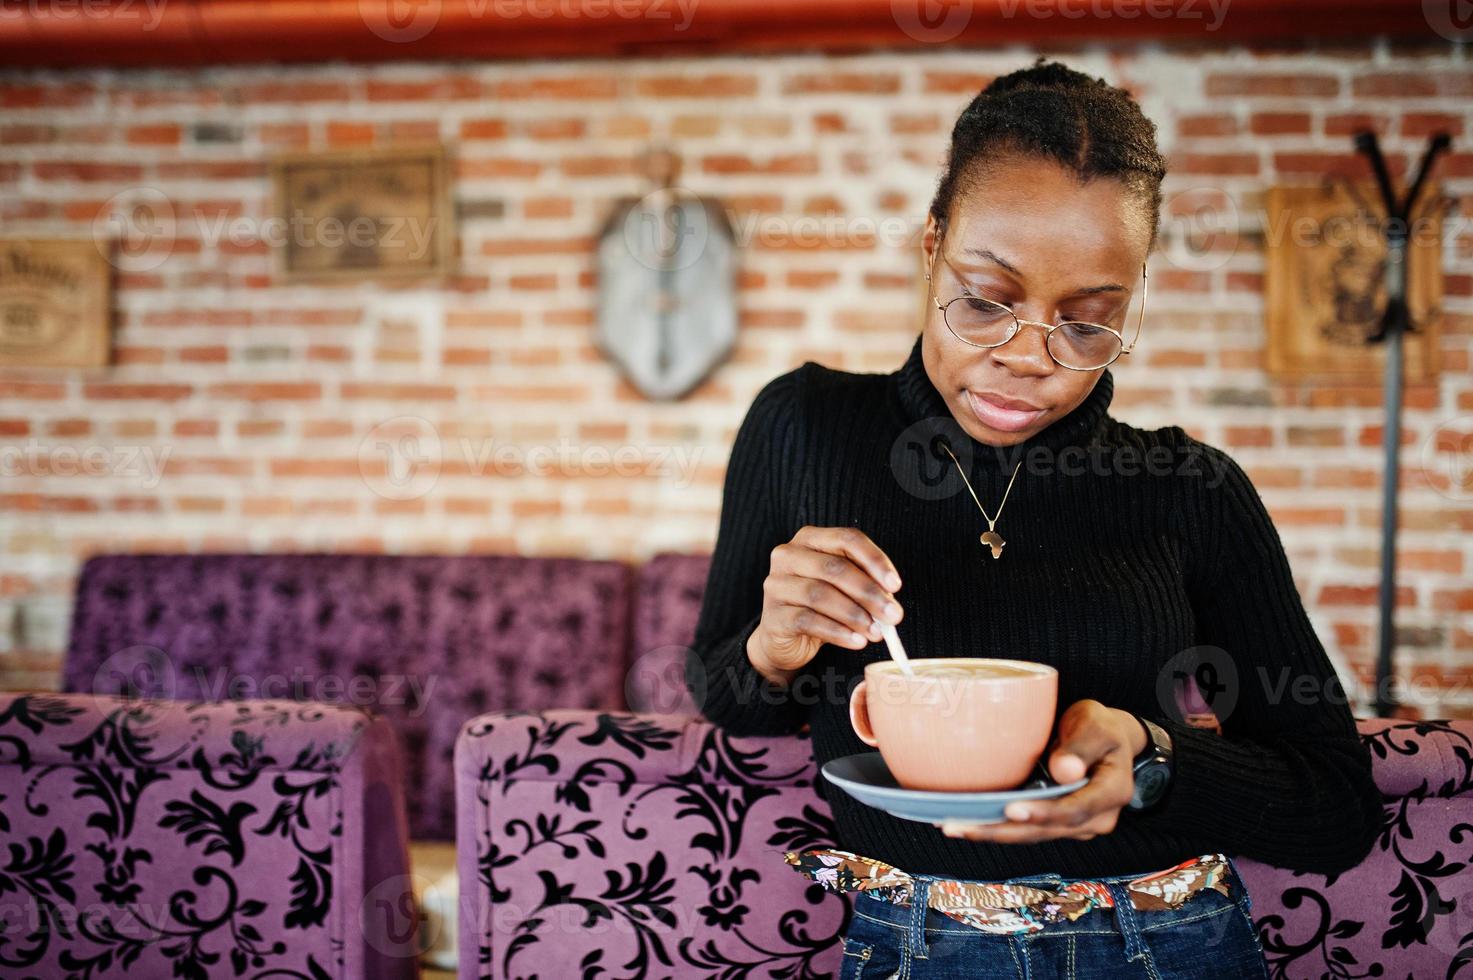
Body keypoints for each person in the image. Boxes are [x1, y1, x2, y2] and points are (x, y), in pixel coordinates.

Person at [685, 58, 1381, 979]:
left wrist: (1154, 759)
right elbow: (726, 694)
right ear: (931, 246)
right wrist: (774, 646)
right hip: (910, 948)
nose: (1029, 359)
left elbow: (1335, 807)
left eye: (1086, 323)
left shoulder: (1189, 486)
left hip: (1166, 948)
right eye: (985, 301)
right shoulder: (805, 425)